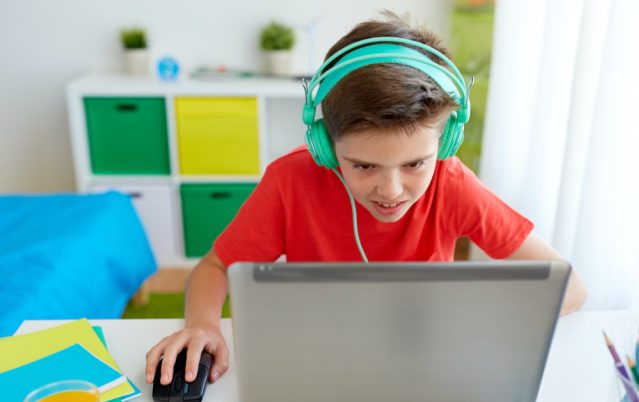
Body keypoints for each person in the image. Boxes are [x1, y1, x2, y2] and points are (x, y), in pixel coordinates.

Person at [145, 11, 587, 388]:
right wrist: (203, 325)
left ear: (447, 140)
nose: (391, 191)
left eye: (415, 164)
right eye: (363, 166)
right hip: (313, 357)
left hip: (423, 361)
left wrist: (478, 329)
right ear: (325, 145)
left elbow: (569, 287)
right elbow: (217, 267)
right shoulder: (291, 181)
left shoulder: (451, 183)